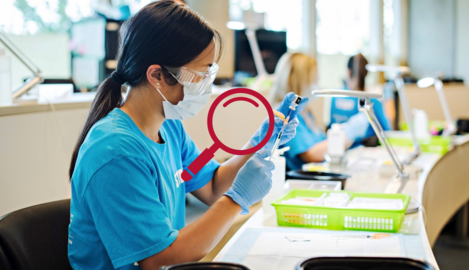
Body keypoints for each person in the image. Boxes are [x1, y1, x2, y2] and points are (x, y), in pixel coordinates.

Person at [67, 2, 307, 269]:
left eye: (209, 74)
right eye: (200, 75)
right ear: (157, 75)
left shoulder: (169, 128)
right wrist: (236, 201)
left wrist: (260, 143)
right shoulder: (115, 151)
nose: (206, 86)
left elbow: (213, 186)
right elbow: (159, 258)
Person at [269, 53, 368, 170]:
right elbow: (310, 154)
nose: (316, 86)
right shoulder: (287, 115)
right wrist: (347, 134)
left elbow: (321, 142)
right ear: (300, 81)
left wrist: (342, 133)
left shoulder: (305, 112)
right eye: (314, 81)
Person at [329, 53, 392, 147]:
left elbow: (331, 126)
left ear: (348, 72)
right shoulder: (372, 101)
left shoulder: (335, 97)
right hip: (361, 150)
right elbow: (387, 131)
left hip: (335, 148)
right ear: (366, 74)